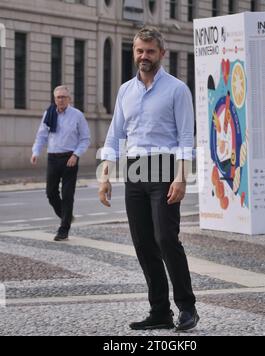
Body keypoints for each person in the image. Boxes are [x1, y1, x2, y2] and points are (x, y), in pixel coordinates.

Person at [99, 27, 199, 332]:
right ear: (134, 51)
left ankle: (187, 308)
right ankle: (159, 311)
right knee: (143, 243)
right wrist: (105, 175)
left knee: (166, 239)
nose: (144, 56)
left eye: (150, 51)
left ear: (162, 54)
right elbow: (116, 133)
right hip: (134, 169)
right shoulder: (125, 90)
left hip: (166, 167)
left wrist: (181, 177)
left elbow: (185, 136)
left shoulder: (177, 89)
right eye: (139, 50)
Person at [31, 85, 91, 241]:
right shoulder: (49, 114)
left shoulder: (77, 115)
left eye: (64, 97)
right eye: (58, 97)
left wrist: (76, 155)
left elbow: (85, 138)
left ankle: (64, 229)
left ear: (69, 99)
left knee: (67, 194)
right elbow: (41, 136)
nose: (61, 100)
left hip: (70, 158)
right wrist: (35, 152)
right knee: (50, 193)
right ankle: (66, 216)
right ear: (54, 99)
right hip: (53, 158)